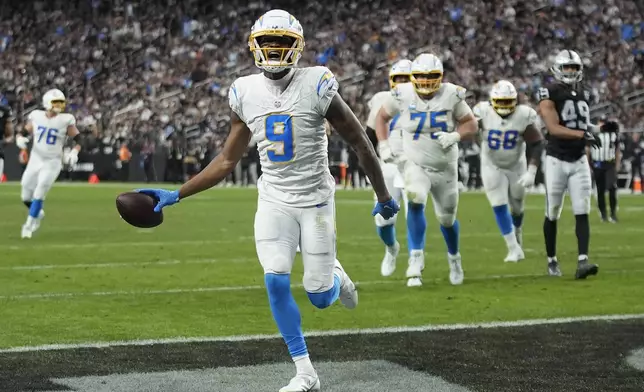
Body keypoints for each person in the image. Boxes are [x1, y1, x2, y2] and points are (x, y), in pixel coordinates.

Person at [136, 9, 398, 392]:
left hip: (315, 201)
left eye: (283, 44)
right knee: (275, 279)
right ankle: (305, 371)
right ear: (253, 47)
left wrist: (384, 194)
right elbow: (228, 159)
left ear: (298, 47)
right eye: (267, 44)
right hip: (274, 198)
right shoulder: (244, 91)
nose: (274, 52)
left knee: (320, 296)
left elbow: (359, 141)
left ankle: (338, 278)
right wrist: (177, 194)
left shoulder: (318, 83)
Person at [375, 53, 478, 287]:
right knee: (415, 198)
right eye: (420, 76)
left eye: (430, 76)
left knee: (447, 219)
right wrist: (383, 144)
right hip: (415, 163)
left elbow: (471, 123)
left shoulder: (452, 94)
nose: (425, 81)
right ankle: (415, 259)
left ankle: (454, 258)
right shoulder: (403, 93)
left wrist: (455, 135)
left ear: (440, 77)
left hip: (445, 167)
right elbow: (382, 117)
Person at [537, 49, 602, 279]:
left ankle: (583, 260)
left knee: (582, 210)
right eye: (567, 67)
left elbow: (582, 122)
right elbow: (554, 128)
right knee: (553, 211)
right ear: (558, 69)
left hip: (578, 159)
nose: (571, 72)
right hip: (556, 158)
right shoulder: (549, 91)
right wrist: (582, 135)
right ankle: (551, 260)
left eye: (574, 68)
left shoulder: (583, 92)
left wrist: (599, 129)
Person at [473, 80, 544, 262]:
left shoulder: (523, 115)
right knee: (498, 203)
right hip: (492, 164)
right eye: (501, 102)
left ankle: (517, 231)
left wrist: (532, 171)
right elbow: (470, 129)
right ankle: (513, 248)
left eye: (508, 102)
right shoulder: (483, 112)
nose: (504, 106)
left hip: (516, 164)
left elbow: (537, 143)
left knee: (517, 206)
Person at [364, 59, 412, 276]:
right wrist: (370, 169)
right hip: (388, 165)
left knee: (414, 213)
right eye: (398, 79)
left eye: (406, 79)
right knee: (384, 220)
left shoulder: (423, 102)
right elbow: (368, 138)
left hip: (414, 166)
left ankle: (415, 262)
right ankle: (391, 249)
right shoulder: (381, 100)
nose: (401, 84)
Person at [17, 89, 81, 239]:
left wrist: (74, 151)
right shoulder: (37, 116)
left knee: (40, 192)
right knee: (25, 194)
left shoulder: (66, 119)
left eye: (61, 102)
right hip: (35, 158)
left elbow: (79, 139)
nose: (59, 105)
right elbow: (24, 131)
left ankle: (29, 225)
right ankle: (37, 212)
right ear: (47, 103)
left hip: (52, 161)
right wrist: (19, 138)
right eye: (56, 102)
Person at [589, 117, 620, 222]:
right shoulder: (593, 134)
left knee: (612, 187)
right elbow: (588, 149)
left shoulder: (613, 135)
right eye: (600, 122)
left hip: (609, 163)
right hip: (597, 164)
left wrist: (617, 165)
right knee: (600, 190)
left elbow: (617, 150)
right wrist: (589, 164)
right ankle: (603, 214)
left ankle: (613, 213)